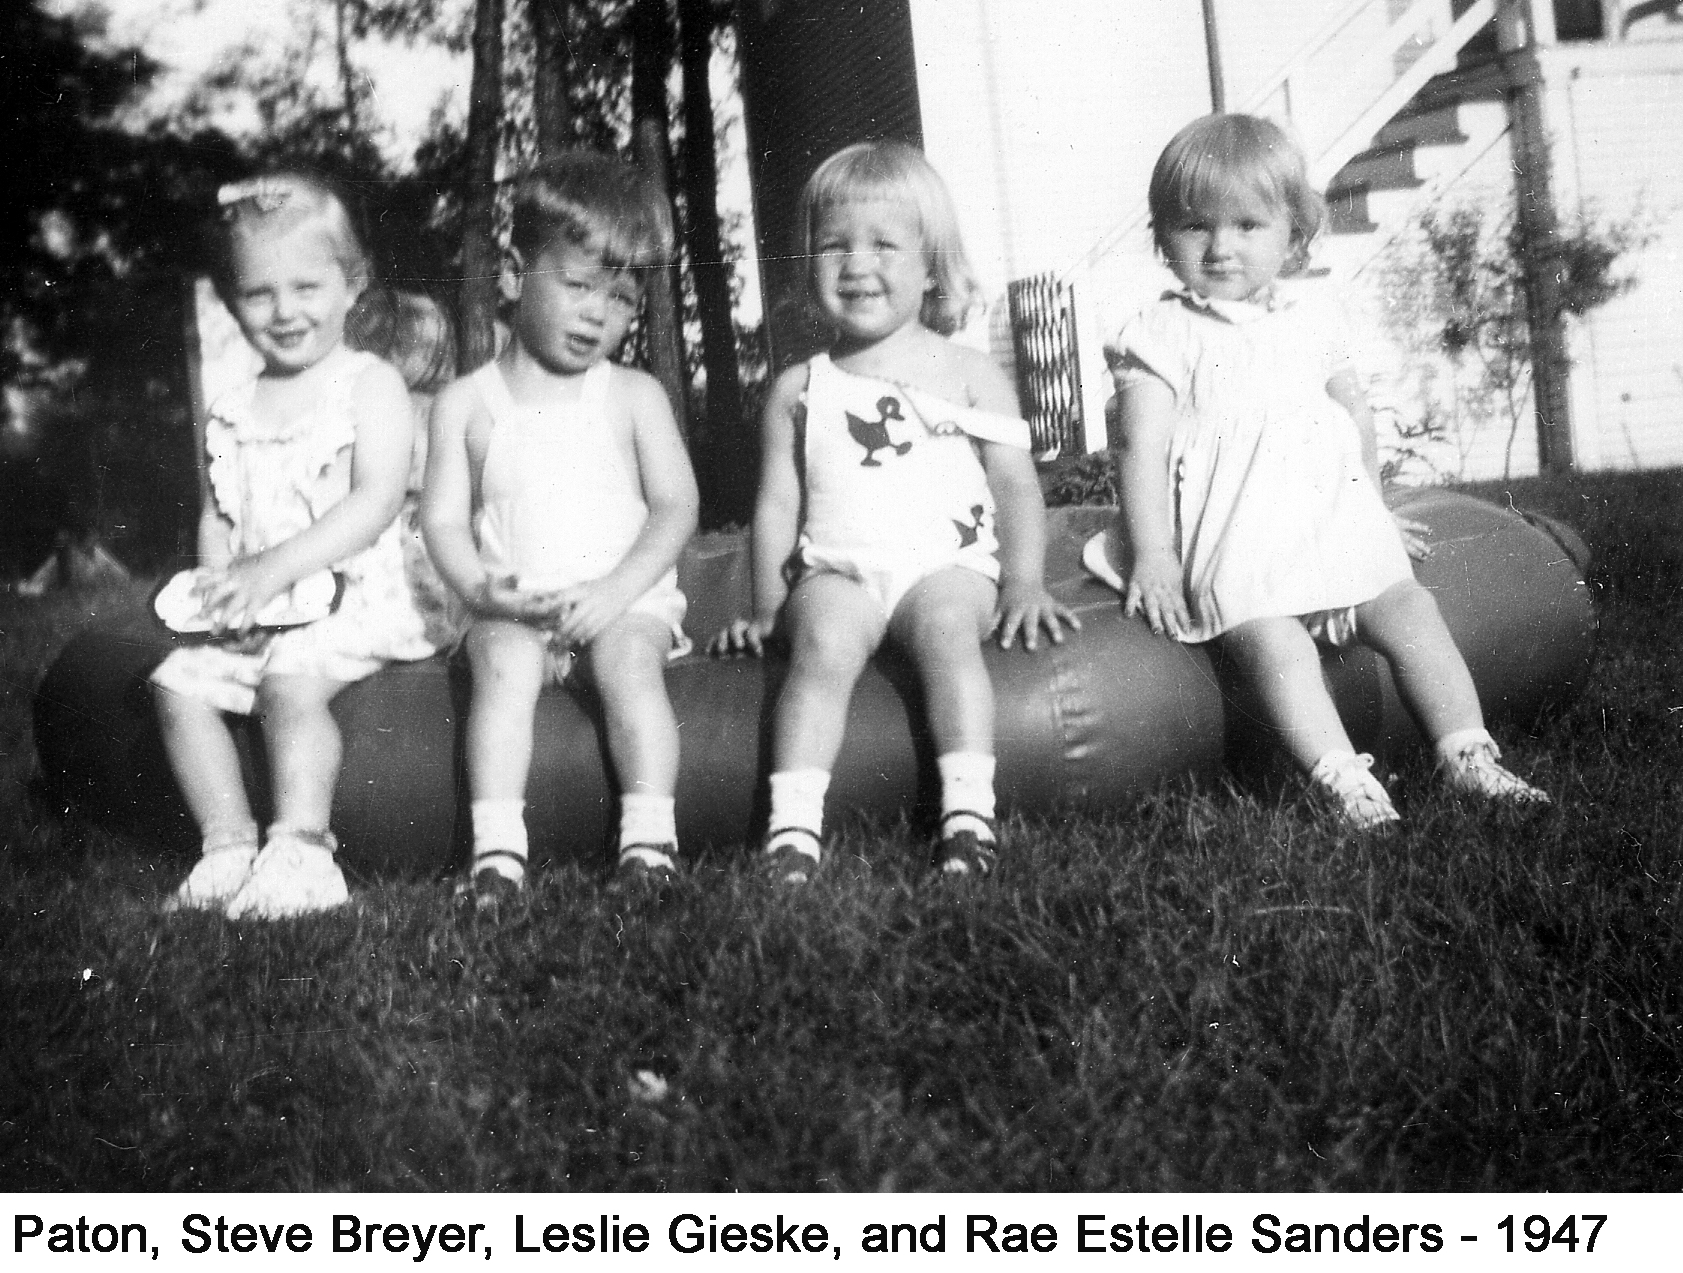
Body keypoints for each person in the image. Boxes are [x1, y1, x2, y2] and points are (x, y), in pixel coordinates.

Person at [1090, 113, 1548, 829]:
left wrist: (1371, 507)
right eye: (1193, 227)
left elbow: (1352, 417)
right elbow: (1138, 449)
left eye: (1245, 225)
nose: (1219, 248)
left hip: (1326, 523)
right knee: (1273, 640)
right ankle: (1343, 778)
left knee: (1409, 609)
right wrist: (1152, 551)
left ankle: (1467, 756)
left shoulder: (1312, 319)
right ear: (1160, 236)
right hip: (1231, 537)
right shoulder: (1159, 334)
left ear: (1291, 234)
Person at [713, 141, 1077, 883]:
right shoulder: (798, 387)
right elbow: (777, 502)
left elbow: (1013, 484)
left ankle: (968, 815)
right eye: (834, 245)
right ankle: (791, 828)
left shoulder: (969, 373)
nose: (856, 264)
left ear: (931, 265)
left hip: (944, 564)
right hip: (839, 566)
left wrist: (1025, 580)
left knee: (946, 630)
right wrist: (767, 605)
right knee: (819, 644)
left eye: (884, 245)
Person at [152, 173, 435, 918]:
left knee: (290, 679)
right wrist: (222, 593)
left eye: (307, 287)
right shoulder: (234, 407)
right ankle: (226, 843)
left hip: (361, 589)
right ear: (231, 300)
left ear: (353, 285)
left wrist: (270, 571)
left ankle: (304, 848)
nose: (285, 312)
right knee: (177, 682)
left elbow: (374, 502)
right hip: (265, 598)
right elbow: (218, 516)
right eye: (259, 294)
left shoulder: (368, 384)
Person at [421, 151, 699, 908]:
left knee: (629, 666)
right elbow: (441, 519)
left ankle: (648, 840)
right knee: (502, 665)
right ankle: (496, 854)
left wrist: (616, 593)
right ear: (513, 274)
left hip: (619, 602)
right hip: (515, 604)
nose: (596, 315)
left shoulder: (633, 395)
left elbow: (677, 507)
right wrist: (485, 592)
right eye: (577, 286)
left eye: (620, 299)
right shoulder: (467, 403)